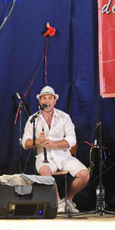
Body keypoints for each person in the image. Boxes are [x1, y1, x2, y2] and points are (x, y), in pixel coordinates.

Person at [22, 85, 89, 213]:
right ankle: (58, 203)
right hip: (44, 157)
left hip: (64, 156)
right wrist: (38, 142)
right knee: (45, 171)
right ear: (40, 101)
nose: (47, 101)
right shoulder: (33, 119)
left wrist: (54, 143)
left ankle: (68, 200)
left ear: (55, 101)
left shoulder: (64, 117)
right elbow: (25, 143)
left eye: (50, 98)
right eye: (44, 98)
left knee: (84, 174)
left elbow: (72, 140)